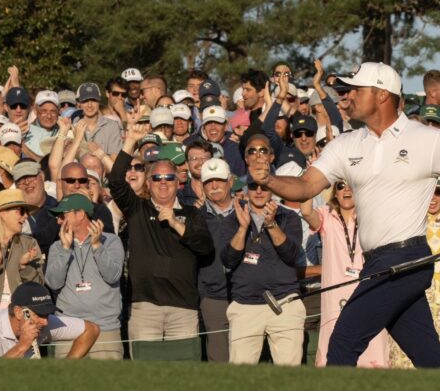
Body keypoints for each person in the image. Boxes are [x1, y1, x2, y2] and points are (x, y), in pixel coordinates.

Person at [246, 62, 440, 368]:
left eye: (357, 90)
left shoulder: (427, 139)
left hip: (406, 259)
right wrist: (269, 179)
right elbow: (305, 186)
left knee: (343, 342)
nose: (349, 96)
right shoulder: (346, 144)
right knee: (430, 359)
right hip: (374, 262)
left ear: (382, 94)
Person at [109, 124, 214, 344]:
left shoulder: (191, 213)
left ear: (178, 182)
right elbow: (116, 182)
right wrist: (130, 142)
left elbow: (206, 248)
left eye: (168, 177)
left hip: (183, 307)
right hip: (145, 307)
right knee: (145, 364)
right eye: (157, 178)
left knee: (184, 363)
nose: (163, 182)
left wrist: (176, 224)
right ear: (148, 183)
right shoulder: (138, 209)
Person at [222, 136, 303, 365]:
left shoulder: (289, 217)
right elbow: (228, 260)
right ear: (245, 188)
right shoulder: (233, 218)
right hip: (245, 306)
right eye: (253, 186)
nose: (258, 191)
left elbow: (292, 255)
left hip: (284, 304)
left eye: (264, 186)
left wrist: (271, 224)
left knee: (290, 377)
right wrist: (243, 228)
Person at [300, 179, 389, 368]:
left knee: (372, 357)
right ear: (335, 192)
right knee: (334, 357)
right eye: (340, 185)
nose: (346, 189)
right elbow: (306, 211)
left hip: (367, 293)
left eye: (352, 185)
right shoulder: (326, 215)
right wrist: (312, 180)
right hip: (335, 299)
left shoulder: (371, 216)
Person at [390, 177, 440, 370]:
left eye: (438, 192)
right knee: (413, 349)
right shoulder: (407, 221)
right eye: (428, 192)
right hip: (417, 287)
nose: (433, 198)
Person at [45, 194, 125, 360]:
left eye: (62, 215)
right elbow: (53, 283)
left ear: (80, 214)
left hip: (105, 329)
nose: (58, 221)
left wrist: (97, 246)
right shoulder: (57, 247)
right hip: (68, 330)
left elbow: (113, 276)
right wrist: (65, 250)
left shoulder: (111, 241)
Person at [0, 282, 99, 359]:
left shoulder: (43, 322)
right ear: (18, 312)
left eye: (47, 314)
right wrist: (22, 346)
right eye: (39, 314)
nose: (45, 322)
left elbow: (91, 329)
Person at [0, 189, 44, 314]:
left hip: (20, 317)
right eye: (21, 211)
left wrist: (25, 268)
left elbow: (39, 291)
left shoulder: (29, 244)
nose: (26, 216)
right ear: (3, 214)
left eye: (26, 212)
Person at [198, 158, 236, 363]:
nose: (214, 186)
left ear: (230, 181)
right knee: (219, 360)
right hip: (213, 298)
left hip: (246, 297)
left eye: (219, 180)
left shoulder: (247, 211)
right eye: (208, 182)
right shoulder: (196, 217)